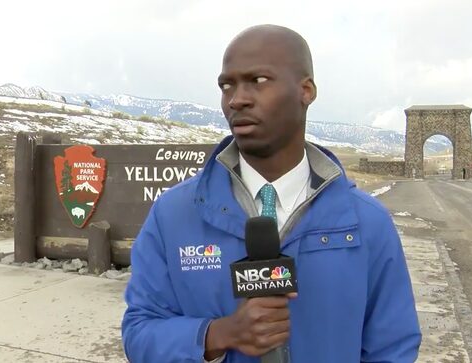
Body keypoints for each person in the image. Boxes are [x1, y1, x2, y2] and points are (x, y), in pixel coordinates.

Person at [122, 24, 421, 362]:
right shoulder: (173, 215)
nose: (237, 99)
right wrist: (219, 334)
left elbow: (392, 349)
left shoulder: (367, 223)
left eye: (258, 81)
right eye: (227, 85)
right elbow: (139, 334)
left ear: (305, 90)